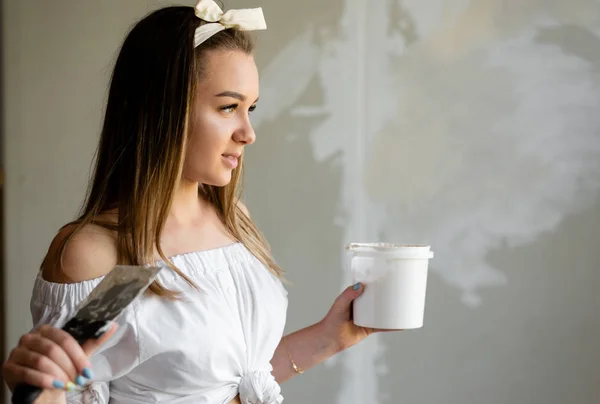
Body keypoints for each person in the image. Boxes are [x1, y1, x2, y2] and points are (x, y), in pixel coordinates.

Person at [1, 1, 389, 403]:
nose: (248, 132)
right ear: (164, 111)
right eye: (228, 108)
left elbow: (233, 382)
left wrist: (330, 337)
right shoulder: (103, 256)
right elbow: (69, 388)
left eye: (250, 109)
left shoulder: (234, 221)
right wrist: (43, 391)